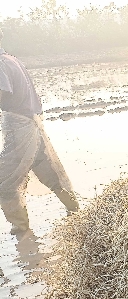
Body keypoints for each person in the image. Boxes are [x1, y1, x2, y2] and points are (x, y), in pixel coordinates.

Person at [0, 27, 79, 235]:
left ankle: (21, 225)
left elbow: (2, 92)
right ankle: (74, 209)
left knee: (4, 180)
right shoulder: (10, 59)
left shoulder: (0, 64)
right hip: (30, 123)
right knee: (47, 168)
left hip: (20, 127)